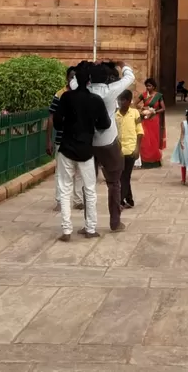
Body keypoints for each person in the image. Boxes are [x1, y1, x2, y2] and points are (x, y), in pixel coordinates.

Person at [51, 62, 109, 241]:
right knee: (90, 190)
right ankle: (91, 228)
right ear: (89, 81)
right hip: (86, 149)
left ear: (75, 79)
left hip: (67, 146)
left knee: (65, 189)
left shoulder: (66, 97)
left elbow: (57, 121)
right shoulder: (96, 100)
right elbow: (105, 124)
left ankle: (67, 230)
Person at [88, 60, 135, 231]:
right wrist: (122, 64)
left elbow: (73, 80)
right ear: (108, 78)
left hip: (88, 142)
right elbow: (130, 76)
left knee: (88, 183)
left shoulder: (84, 89)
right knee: (114, 183)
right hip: (108, 142)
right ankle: (115, 222)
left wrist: (91, 66)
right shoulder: (110, 91)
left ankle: (89, 224)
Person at [48, 66, 85, 212]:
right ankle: (59, 200)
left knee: (79, 171)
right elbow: (51, 116)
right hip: (62, 138)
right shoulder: (60, 95)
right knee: (61, 172)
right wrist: (48, 140)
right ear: (67, 78)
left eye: (75, 77)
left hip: (79, 138)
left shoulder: (83, 94)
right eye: (71, 77)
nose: (73, 80)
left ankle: (78, 200)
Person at [114, 90, 143, 208]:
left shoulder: (135, 113)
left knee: (125, 176)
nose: (122, 102)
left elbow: (140, 132)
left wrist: (137, 149)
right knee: (122, 175)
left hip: (131, 149)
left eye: (124, 100)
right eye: (120, 100)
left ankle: (120, 200)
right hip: (119, 150)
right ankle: (129, 199)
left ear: (129, 101)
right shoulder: (116, 116)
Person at [137, 78, 167, 168]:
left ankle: (154, 160)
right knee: (145, 139)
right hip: (145, 120)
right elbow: (135, 103)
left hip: (154, 119)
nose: (148, 87)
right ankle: (145, 160)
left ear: (154, 87)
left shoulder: (158, 96)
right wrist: (143, 108)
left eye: (149, 86)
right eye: (146, 86)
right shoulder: (144, 95)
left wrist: (154, 111)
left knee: (154, 139)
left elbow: (163, 108)